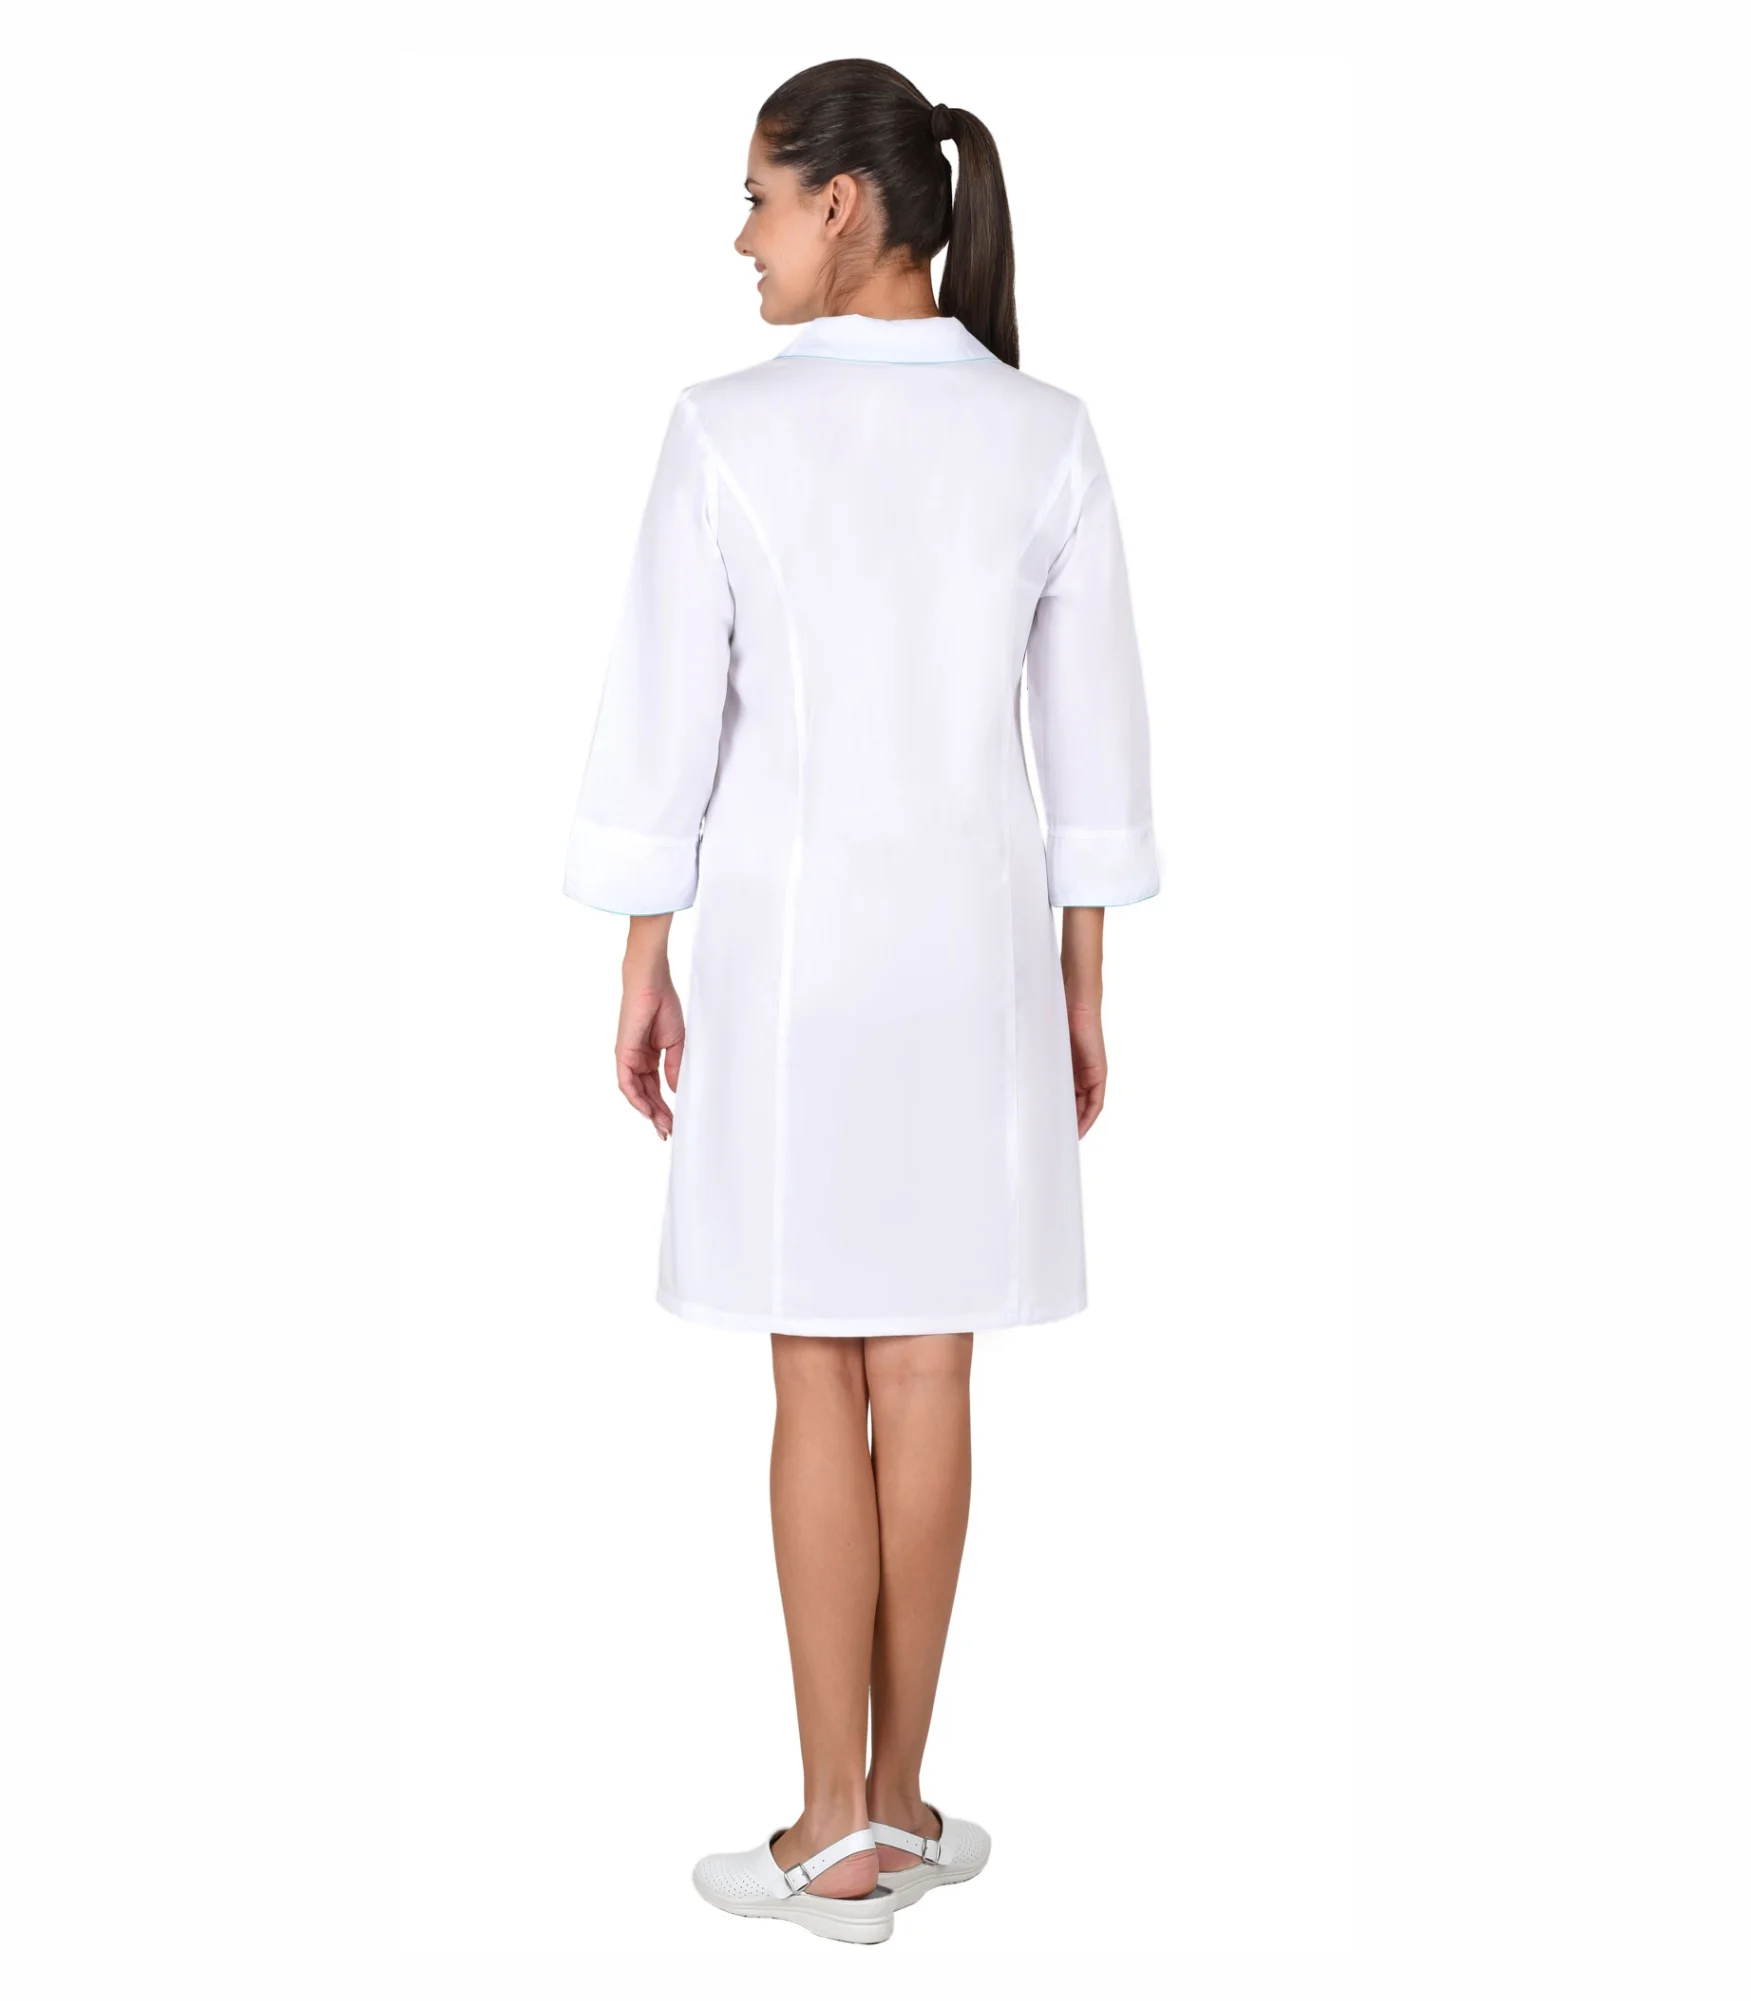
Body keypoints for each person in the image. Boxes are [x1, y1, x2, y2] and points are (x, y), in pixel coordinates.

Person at [563, 59, 1160, 1946]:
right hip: (974, 963)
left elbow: (663, 720)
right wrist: (1081, 986)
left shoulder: (723, 430)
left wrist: (641, 957)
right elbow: (1093, 746)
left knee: (812, 1363)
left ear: (842, 204)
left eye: (756, 197)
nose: (740, 240)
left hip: (792, 962)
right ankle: (897, 1806)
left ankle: (830, 1831)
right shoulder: (1044, 432)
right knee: (931, 1367)